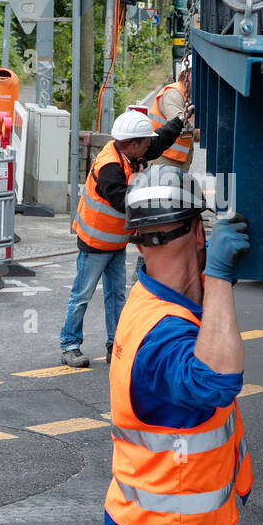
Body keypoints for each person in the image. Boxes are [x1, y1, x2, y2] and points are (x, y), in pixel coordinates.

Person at [104, 165, 252, 525]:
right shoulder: (161, 335)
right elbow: (217, 381)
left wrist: (215, 278)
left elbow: (202, 309)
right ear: (196, 228)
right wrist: (222, 273)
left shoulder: (156, 299)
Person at [60, 108, 187, 368]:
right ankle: (70, 345)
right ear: (132, 144)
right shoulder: (110, 167)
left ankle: (115, 345)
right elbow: (124, 201)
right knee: (82, 295)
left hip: (115, 242)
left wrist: (179, 121)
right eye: (144, 142)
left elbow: (158, 141)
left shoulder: (129, 153)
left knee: (116, 295)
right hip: (95, 244)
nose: (149, 146)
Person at [146, 72, 196, 170]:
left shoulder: (188, 96)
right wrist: (199, 132)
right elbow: (178, 122)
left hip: (176, 158)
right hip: (163, 157)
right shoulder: (173, 93)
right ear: (186, 75)